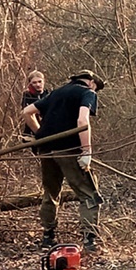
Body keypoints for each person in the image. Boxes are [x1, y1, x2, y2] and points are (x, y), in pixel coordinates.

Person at [21, 69, 104, 253]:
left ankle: (48, 236)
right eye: (96, 87)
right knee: (88, 194)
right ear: (91, 82)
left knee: (51, 192)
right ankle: (89, 241)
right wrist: (86, 152)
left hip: (46, 149)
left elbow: (27, 112)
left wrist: (40, 134)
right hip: (68, 150)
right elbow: (83, 121)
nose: (95, 91)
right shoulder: (87, 93)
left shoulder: (56, 92)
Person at [20, 70, 49, 141]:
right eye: (34, 83)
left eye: (39, 81)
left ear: (44, 81)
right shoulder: (27, 96)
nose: (38, 85)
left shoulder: (49, 95)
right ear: (30, 84)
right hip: (33, 130)